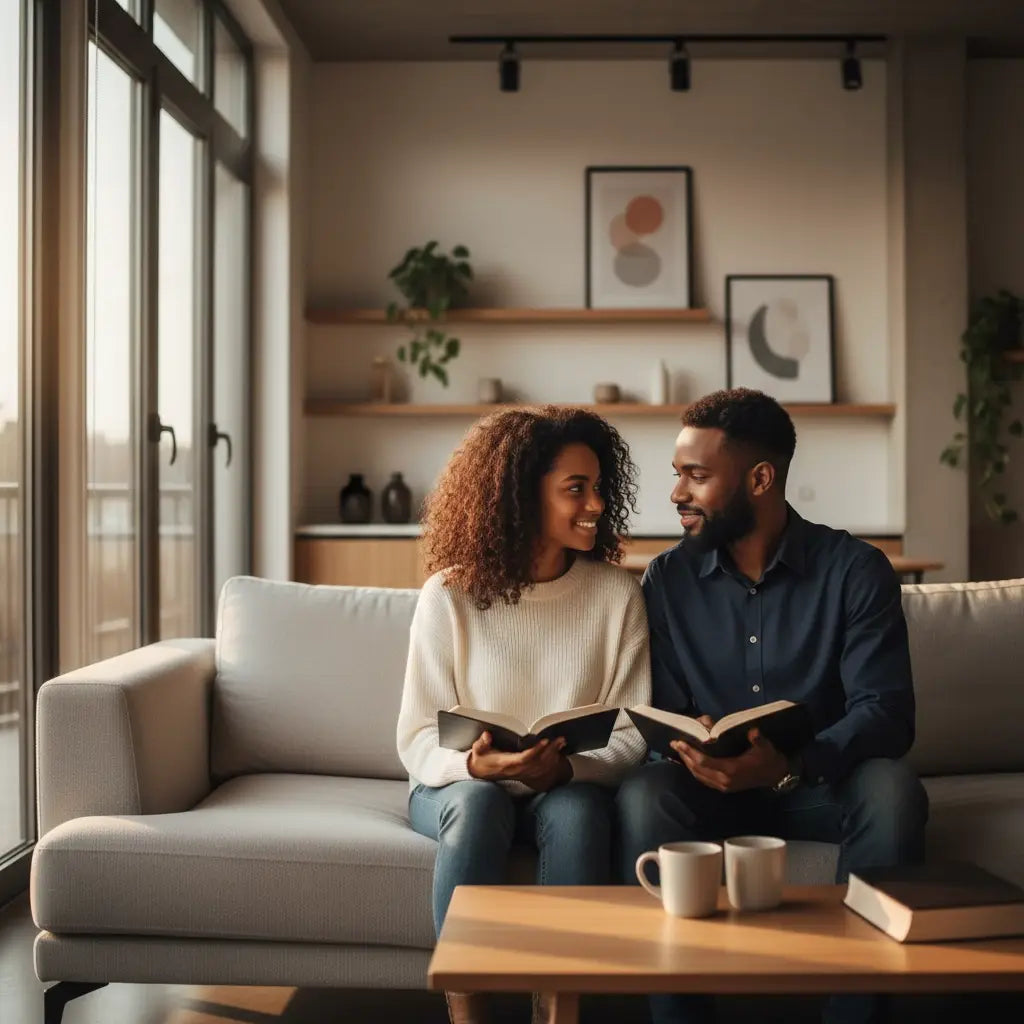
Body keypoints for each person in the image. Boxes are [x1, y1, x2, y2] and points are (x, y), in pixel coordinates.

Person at [616, 388, 929, 1024]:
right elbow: (662, 712)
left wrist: (793, 764)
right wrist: (691, 739)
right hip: (709, 788)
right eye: (678, 474)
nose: (676, 493)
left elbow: (886, 713)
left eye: (697, 476)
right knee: (645, 795)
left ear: (760, 479)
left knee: (892, 789)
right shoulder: (666, 581)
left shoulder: (856, 571)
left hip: (816, 785)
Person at [397, 406, 652, 1024]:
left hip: (563, 786)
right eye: (576, 489)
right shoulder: (449, 594)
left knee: (579, 813)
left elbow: (632, 732)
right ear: (521, 495)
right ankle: (467, 1010)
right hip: (459, 787)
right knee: (479, 804)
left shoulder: (617, 595)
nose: (596, 504)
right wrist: (472, 766)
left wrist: (563, 772)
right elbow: (417, 736)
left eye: (600, 487)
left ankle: (557, 1011)